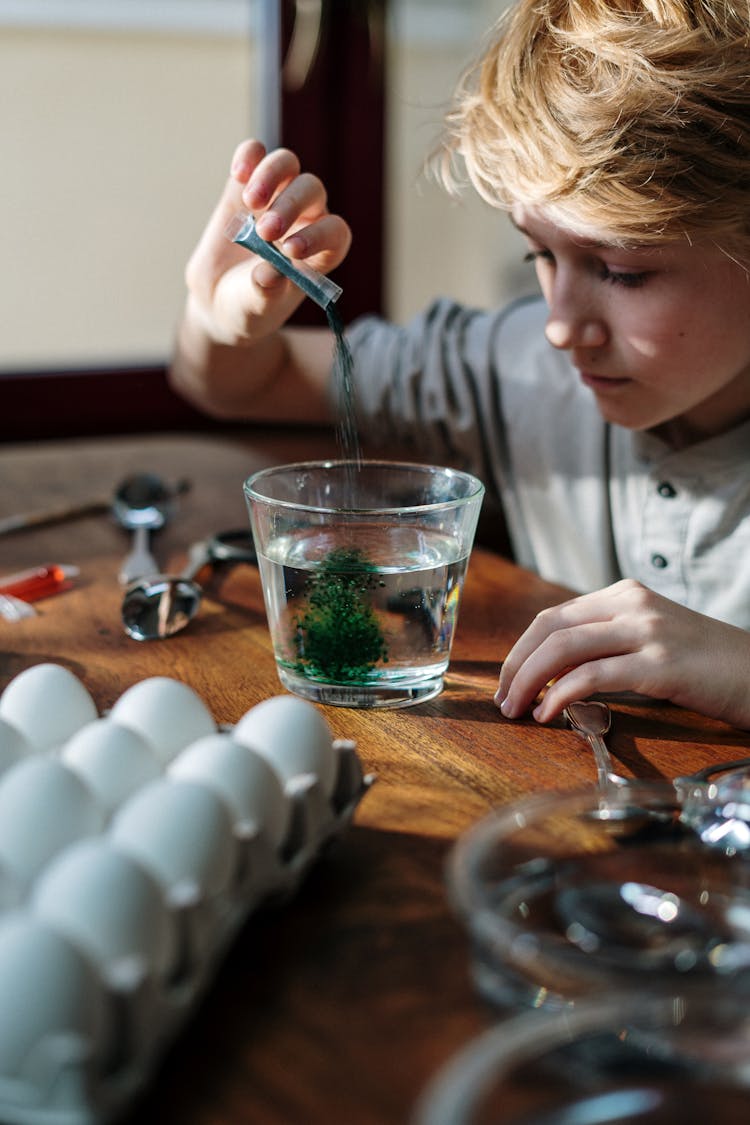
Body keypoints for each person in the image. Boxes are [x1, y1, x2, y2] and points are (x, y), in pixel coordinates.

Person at [170, 0, 750, 730]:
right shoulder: (516, 367)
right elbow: (235, 381)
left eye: (622, 271)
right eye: (538, 253)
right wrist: (219, 317)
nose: (562, 326)